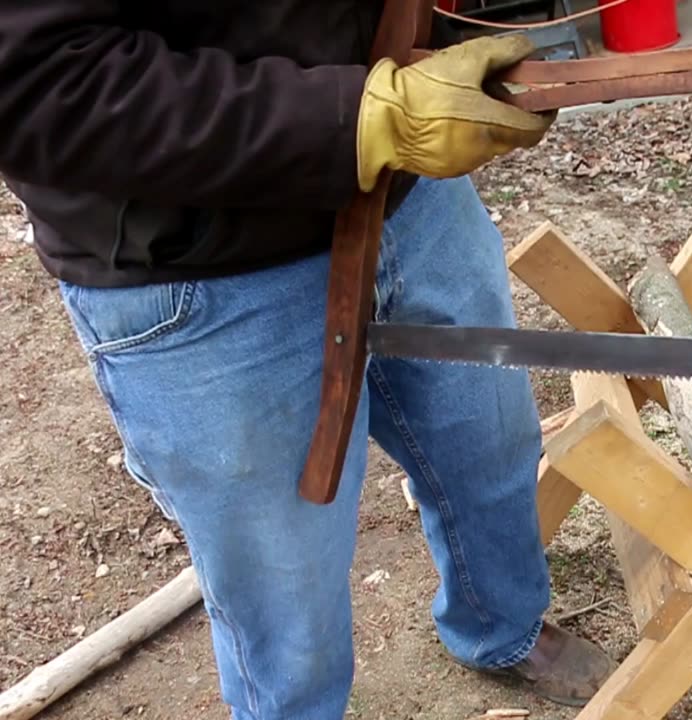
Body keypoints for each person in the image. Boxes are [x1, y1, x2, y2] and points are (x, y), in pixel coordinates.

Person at [0, 3, 617, 718]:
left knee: (487, 444)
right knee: (282, 581)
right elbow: (33, 82)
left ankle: (500, 628)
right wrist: (355, 120)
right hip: (199, 262)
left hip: (409, 195)